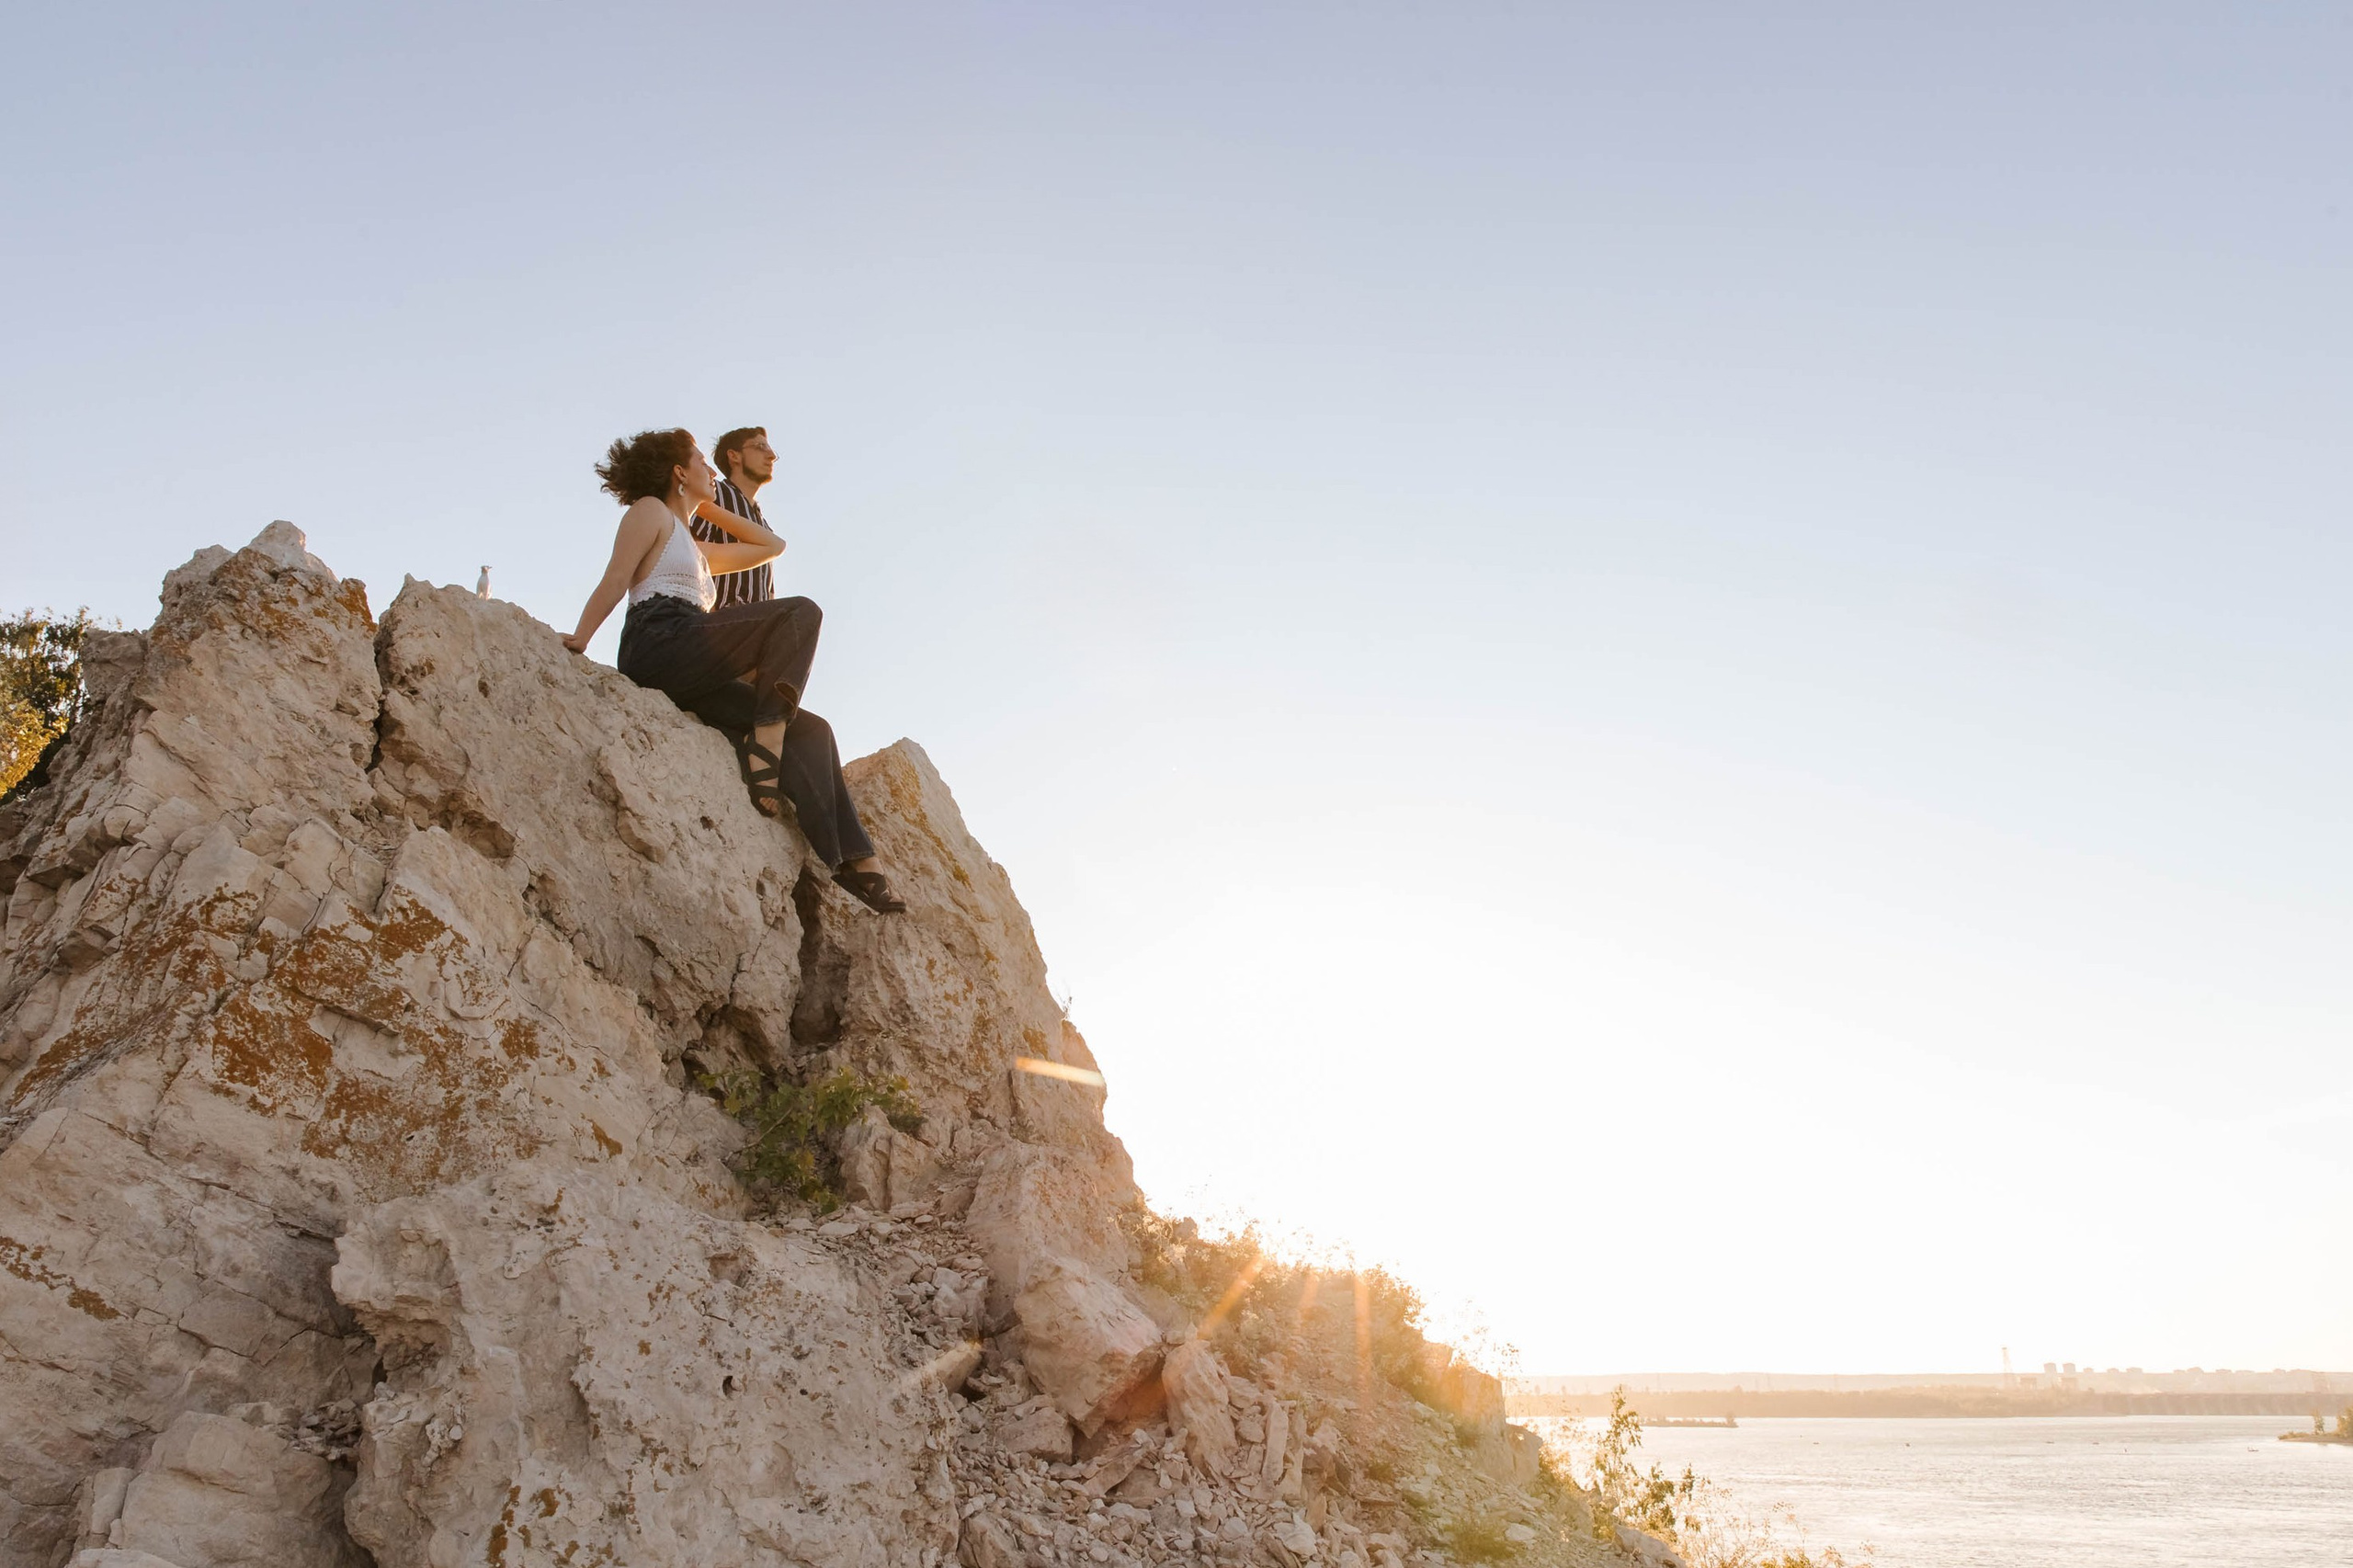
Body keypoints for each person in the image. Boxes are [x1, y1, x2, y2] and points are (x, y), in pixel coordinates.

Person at [562, 427, 904, 913]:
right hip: (659, 642)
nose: (710, 470)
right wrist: (581, 637)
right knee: (800, 612)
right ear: (680, 472)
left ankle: (853, 862)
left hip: (692, 662)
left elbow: (770, 545)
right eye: (701, 461)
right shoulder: (650, 512)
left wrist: (699, 505)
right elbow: (616, 578)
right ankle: (767, 738)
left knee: (812, 730)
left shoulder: (697, 548)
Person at [693, 425, 779, 608]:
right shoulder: (715, 494)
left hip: (758, 627)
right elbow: (690, 552)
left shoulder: (765, 527)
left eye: (770, 449)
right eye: (760, 447)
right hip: (723, 620)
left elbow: (768, 591)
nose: (771, 455)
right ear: (734, 456)